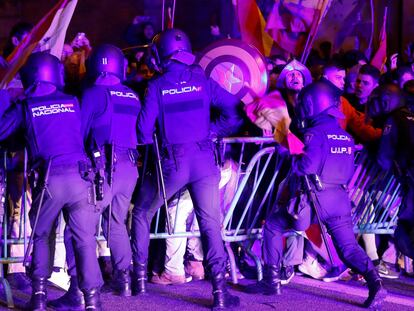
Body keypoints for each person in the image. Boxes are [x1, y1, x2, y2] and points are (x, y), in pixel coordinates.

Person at [248, 82, 387, 310]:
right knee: (349, 248)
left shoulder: (314, 134)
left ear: (312, 105)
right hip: (339, 201)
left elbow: (305, 168)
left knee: (273, 226)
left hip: (312, 202)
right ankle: (376, 284)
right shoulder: (345, 137)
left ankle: (271, 281)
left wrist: (288, 152)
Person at [130, 28, 243, 310]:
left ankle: (140, 280)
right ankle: (219, 293)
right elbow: (234, 111)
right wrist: (212, 130)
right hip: (205, 160)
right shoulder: (202, 79)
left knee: (142, 212)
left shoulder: (156, 85)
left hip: (173, 162)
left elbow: (143, 132)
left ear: (161, 54)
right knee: (209, 224)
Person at [0, 52, 102, 310]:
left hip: (50, 180)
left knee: (43, 235)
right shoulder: (72, 101)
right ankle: (91, 300)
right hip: (82, 178)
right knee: (84, 240)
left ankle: (39, 297)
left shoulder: (27, 104)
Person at [50, 44, 141, 310]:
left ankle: (79, 289)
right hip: (129, 168)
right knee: (115, 224)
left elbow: (79, 131)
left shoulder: (93, 93)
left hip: (104, 169)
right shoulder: (132, 95)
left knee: (78, 230)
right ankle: (124, 281)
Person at [367, 84, 414, 259]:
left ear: (386, 100)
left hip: (410, 182)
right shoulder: (410, 116)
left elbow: (383, 159)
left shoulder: (394, 119)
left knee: (405, 228)